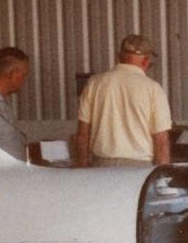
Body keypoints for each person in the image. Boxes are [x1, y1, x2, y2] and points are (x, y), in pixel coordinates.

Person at [73, 34, 172, 167]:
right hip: (139, 169)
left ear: (119, 56)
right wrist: (162, 173)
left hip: (101, 167)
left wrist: (82, 167)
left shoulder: (94, 84)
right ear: (146, 61)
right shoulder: (153, 89)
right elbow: (161, 142)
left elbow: (82, 135)